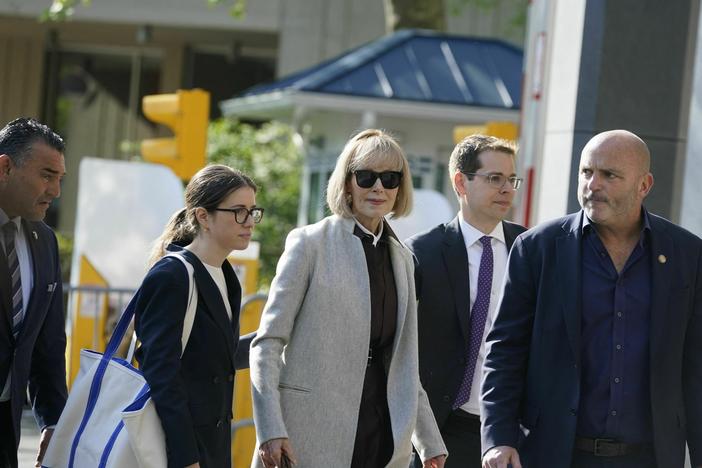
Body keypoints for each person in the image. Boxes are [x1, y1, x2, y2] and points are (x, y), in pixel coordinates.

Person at [480, 130, 702, 468]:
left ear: (644, 186)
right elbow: (506, 350)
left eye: (609, 175)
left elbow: (696, 366)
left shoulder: (686, 254)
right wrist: (499, 438)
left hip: (649, 458)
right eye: (586, 172)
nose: (592, 184)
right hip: (556, 454)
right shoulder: (537, 249)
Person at [250, 128, 447, 468]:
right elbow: (267, 344)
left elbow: (403, 361)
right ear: (346, 182)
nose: (378, 187)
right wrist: (269, 428)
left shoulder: (402, 258)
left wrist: (430, 441)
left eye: (390, 178)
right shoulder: (309, 244)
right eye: (366, 176)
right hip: (307, 431)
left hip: (381, 431)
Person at [406, 134, 526, 468]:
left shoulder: (530, 250)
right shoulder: (422, 253)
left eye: (511, 179)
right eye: (494, 179)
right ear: (461, 182)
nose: (507, 189)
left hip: (506, 434)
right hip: (439, 432)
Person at [134, 164, 260, 468]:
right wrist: (186, 458)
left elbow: (214, 357)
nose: (250, 222)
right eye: (239, 211)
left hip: (212, 445)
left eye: (253, 211)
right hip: (176, 448)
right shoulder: (173, 275)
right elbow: (160, 373)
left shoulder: (227, 277)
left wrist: (273, 339)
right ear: (203, 216)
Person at [0, 118, 68, 468]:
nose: (55, 191)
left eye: (60, 178)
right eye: (46, 175)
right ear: (5, 167)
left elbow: (49, 344)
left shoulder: (45, 243)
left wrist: (54, 421)